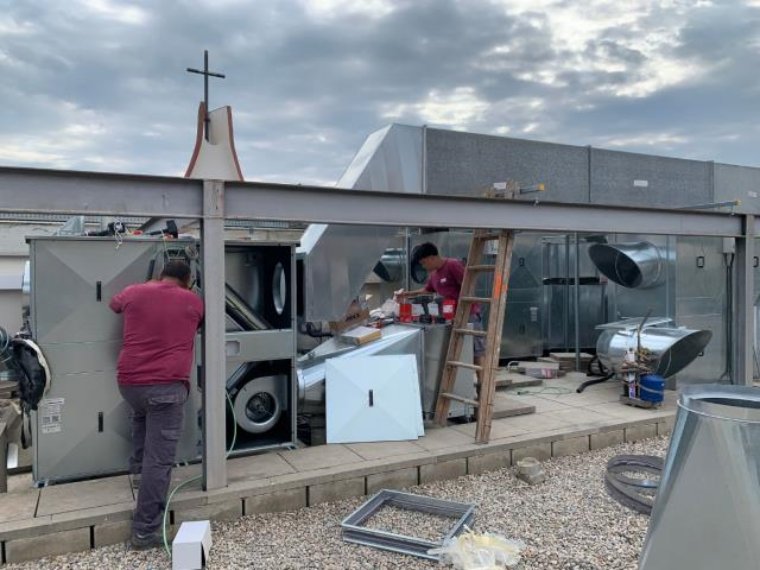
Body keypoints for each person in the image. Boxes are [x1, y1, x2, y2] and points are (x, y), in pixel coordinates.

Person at [109, 260, 204, 549]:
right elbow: (201, 322)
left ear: (160, 274)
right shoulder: (192, 300)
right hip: (165, 387)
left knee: (140, 420)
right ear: (188, 280)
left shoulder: (135, 291)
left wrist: (148, 287)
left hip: (129, 384)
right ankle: (145, 531)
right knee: (159, 460)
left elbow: (114, 304)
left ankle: (139, 474)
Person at [398, 242, 486, 376]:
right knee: (461, 351)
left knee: (476, 351)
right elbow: (427, 290)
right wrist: (407, 294)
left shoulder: (452, 265)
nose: (424, 266)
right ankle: (464, 384)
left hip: (468, 315)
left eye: (424, 263)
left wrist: (463, 310)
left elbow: (468, 286)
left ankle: (482, 386)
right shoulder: (434, 274)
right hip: (451, 316)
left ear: (432, 257)